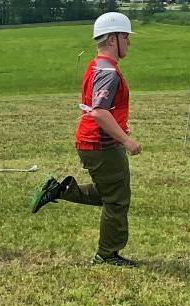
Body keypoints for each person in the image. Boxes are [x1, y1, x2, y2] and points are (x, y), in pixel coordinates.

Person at [30, 12, 140, 267]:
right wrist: (125, 140)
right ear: (113, 39)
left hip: (93, 141)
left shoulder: (96, 66)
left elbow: (99, 109)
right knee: (117, 200)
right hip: (102, 146)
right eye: (125, 36)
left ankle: (60, 190)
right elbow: (100, 112)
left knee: (109, 193)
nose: (129, 42)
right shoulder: (108, 72)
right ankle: (107, 254)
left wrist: (120, 126)